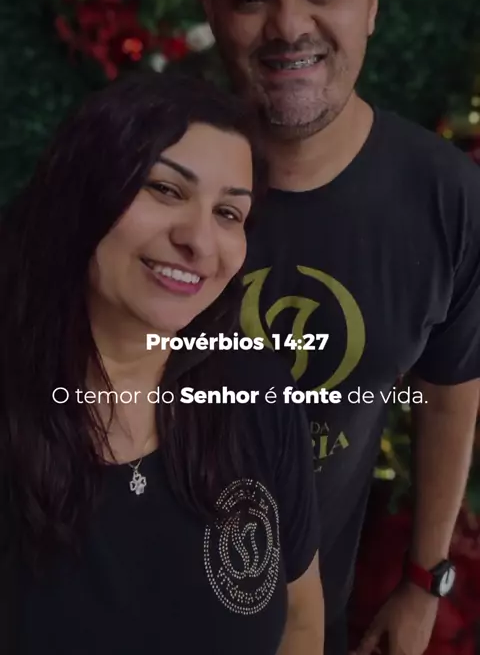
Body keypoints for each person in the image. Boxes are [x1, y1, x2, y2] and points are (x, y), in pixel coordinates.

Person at [203, 0, 480, 655]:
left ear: (370, 2)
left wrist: (424, 580)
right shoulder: (148, 176)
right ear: (213, 14)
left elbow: (449, 392)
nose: (289, 26)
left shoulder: (447, 197)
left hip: (307, 625)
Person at [0, 72, 324, 655]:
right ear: (83, 190)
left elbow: (300, 621)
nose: (200, 241)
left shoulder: (256, 391)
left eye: (229, 213)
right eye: (166, 190)